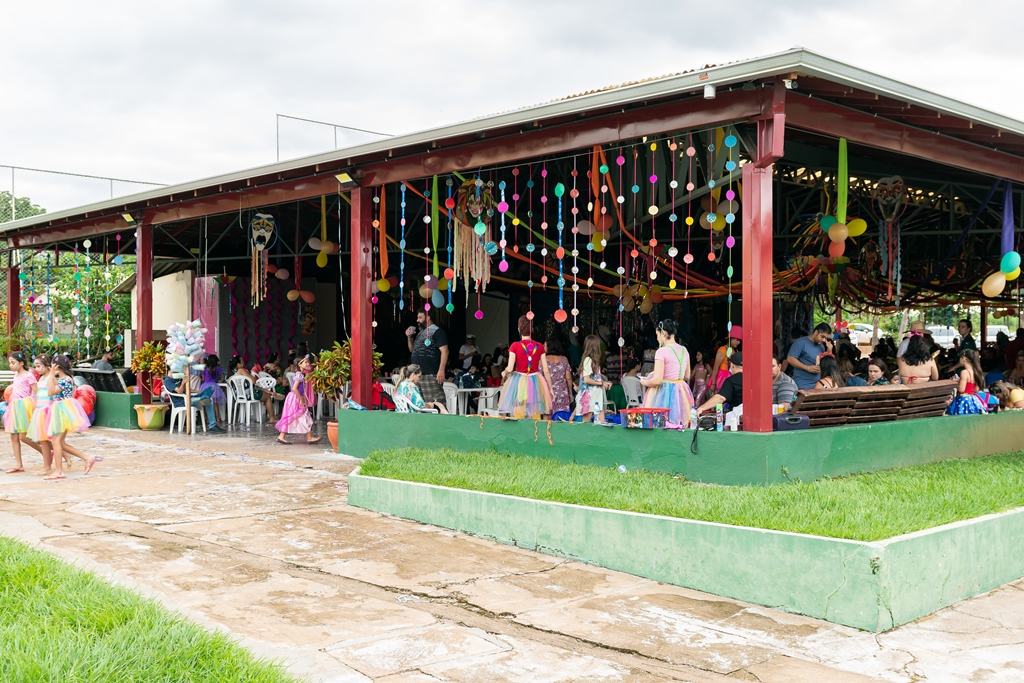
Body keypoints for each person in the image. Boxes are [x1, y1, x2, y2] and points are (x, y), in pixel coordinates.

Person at [41, 354, 96, 480]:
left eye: (53, 365)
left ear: (57, 366)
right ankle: (87, 458)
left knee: (56, 441)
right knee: (60, 442)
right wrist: (53, 376)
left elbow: (50, 392)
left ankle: (59, 471)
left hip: (62, 410)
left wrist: (51, 375)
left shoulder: (65, 380)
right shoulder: (64, 378)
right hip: (61, 409)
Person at [640, 319, 694, 425]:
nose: (657, 338)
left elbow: (657, 380)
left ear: (663, 333)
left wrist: (644, 382)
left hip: (663, 392)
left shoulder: (661, 351)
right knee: (678, 423)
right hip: (680, 392)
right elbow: (687, 375)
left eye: (657, 335)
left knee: (661, 423)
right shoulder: (684, 350)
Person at [498, 316, 554, 419]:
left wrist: (504, 372)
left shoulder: (514, 346)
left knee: (519, 410)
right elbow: (546, 371)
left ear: (518, 329)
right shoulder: (540, 346)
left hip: (519, 381)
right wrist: (550, 389)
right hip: (536, 381)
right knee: (534, 411)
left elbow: (510, 368)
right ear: (532, 329)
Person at [406, 309, 449, 408]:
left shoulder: (437, 331)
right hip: (417, 375)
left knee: (436, 403)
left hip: (430, 374)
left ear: (428, 318)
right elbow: (412, 349)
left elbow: (445, 351)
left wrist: (441, 370)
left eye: (420, 317)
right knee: (421, 405)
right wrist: (409, 337)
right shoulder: (421, 332)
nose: (417, 320)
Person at [275, 354, 322, 443]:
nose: (307, 364)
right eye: (305, 362)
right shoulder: (299, 375)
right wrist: (301, 399)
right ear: (299, 365)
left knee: (296, 416)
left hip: (294, 397)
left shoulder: (299, 374)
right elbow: (295, 388)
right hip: (296, 398)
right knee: (303, 415)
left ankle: (282, 436)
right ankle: (309, 437)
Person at [4, 352, 37, 474]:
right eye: (10, 363)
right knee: (13, 435)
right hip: (14, 406)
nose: (11, 365)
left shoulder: (29, 375)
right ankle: (19, 464)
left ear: (21, 363)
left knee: (26, 436)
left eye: (13, 363)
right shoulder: (16, 375)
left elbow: (36, 392)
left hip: (25, 406)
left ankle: (47, 452)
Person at [229, 356, 284, 420]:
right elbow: (253, 381)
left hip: (239, 395)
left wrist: (268, 391)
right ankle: (272, 418)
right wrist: (250, 375)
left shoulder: (233, 373)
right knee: (267, 397)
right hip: (249, 395)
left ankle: (271, 393)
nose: (243, 362)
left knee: (265, 392)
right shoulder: (241, 370)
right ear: (238, 364)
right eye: (242, 361)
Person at [574, 335, 611, 423]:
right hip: (589, 396)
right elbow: (586, 379)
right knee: (586, 423)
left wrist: (604, 383)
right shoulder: (588, 360)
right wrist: (602, 383)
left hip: (596, 395)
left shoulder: (594, 362)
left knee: (602, 421)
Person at [787, 323, 832, 389]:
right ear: (816, 332)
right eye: (822, 336)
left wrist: (829, 351)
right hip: (802, 385)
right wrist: (807, 368)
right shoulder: (800, 342)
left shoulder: (822, 346)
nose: (824, 340)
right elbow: (790, 359)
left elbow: (826, 364)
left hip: (819, 385)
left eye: (826, 338)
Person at [947, 349, 987, 415]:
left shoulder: (964, 372)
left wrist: (955, 382)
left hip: (963, 400)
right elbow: (976, 389)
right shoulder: (975, 371)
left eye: (960, 358)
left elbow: (961, 389)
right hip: (973, 399)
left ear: (964, 359)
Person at [544, 338, 573, 416]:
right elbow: (568, 378)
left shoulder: (543, 360)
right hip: (562, 392)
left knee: (547, 417)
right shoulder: (564, 359)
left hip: (547, 392)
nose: (543, 347)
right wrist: (570, 393)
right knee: (562, 417)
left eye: (545, 346)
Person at [710, 326, 742, 393]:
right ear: (731, 339)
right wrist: (713, 383)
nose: (739, 342)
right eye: (737, 340)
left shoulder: (736, 351)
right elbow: (715, 367)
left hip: (734, 379)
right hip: (722, 379)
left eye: (739, 341)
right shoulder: (722, 350)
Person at [200, 354, 227, 426]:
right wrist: (220, 381)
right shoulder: (217, 368)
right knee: (215, 403)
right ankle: (217, 419)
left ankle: (206, 419)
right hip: (214, 386)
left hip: (205, 386)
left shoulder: (205, 368)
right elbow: (223, 376)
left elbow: (203, 379)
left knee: (205, 403)